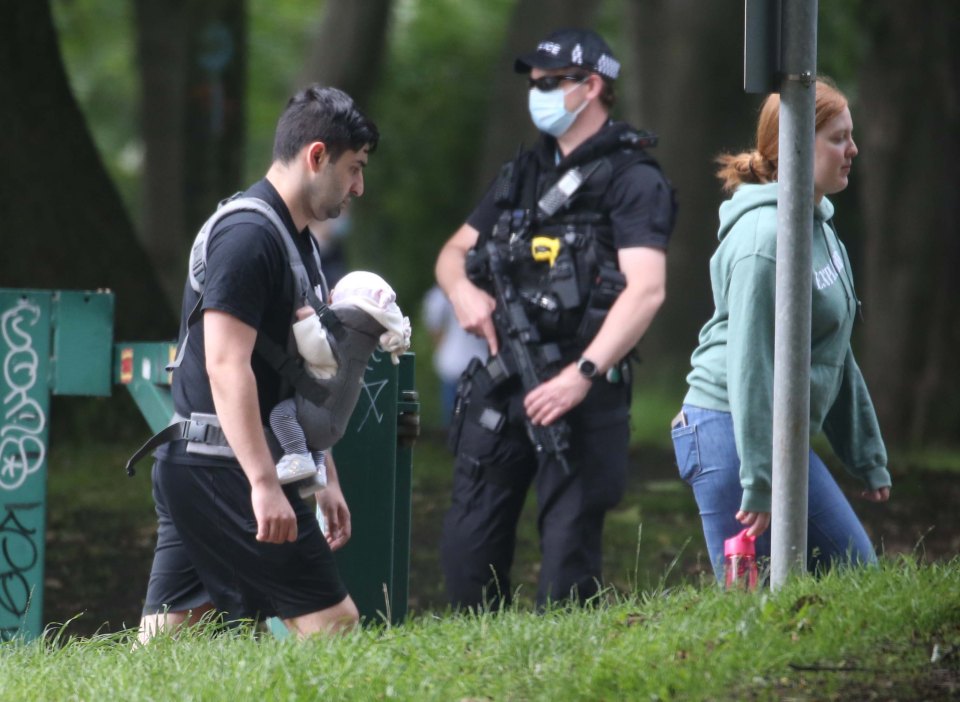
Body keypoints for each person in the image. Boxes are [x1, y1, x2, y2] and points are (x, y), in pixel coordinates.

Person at [435, 28, 677, 610]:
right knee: (466, 555)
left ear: (591, 87)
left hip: (581, 392)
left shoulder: (634, 179)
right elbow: (450, 255)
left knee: (567, 570)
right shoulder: (520, 176)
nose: (536, 94)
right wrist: (464, 292)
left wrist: (582, 375)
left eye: (548, 84)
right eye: (532, 84)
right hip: (504, 384)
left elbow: (646, 291)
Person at [137, 85, 379, 642]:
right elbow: (226, 366)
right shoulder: (249, 238)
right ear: (316, 156)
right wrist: (265, 485)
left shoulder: (298, 241)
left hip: (201, 463)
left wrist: (325, 475)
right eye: (354, 168)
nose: (359, 187)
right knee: (333, 628)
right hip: (225, 467)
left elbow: (298, 379)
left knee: (169, 641)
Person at [671, 78, 891, 582]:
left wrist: (866, 455)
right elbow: (751, 365)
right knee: (753, 606)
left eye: (850, 136)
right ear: (794, 144)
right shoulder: (764, 240)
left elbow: (834, 351)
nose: (853, 150)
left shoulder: (818, 224)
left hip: (774, 433)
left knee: (856, 577)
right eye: (838, 137)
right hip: (728, 428)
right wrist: (758, 482)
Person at [269, 270, 411, 491]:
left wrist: (307, 322)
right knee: (314, 442)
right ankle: (316, 472)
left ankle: (297, 456)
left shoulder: (341, 343)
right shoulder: (363, 344)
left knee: (280, 415)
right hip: (335, 425)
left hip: (314, 416)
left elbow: (315, 350)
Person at [421, 284, 488, 427]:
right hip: (480, 365)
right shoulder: (486, 289)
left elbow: (434, 325)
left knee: (454, 422)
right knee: (480, 423)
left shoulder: (442, 291)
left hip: (454, 365)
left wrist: (444, 348)